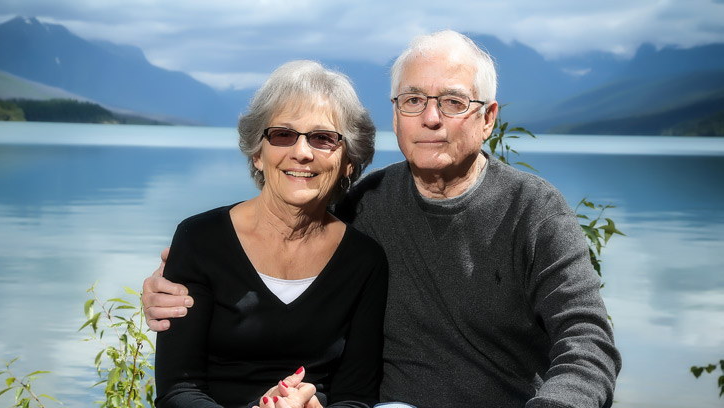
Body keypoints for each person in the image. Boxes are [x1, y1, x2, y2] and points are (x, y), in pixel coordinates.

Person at [145, 31, 621, 407]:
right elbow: (280, 221)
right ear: (396, 116)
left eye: (453, 102)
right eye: (413, 100)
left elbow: (587, 341)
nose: (430, 118)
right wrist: (168, 284)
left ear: (488, 118)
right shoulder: (366, 204)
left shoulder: (533, 210)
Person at [153, 59, 388, 408]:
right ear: (258, 153)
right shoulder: (198, 239)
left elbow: (356, 396)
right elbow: (177, 391)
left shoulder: (364, 260)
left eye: (323, 138)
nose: (301, 153)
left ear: (348, 163)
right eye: (283, 134)